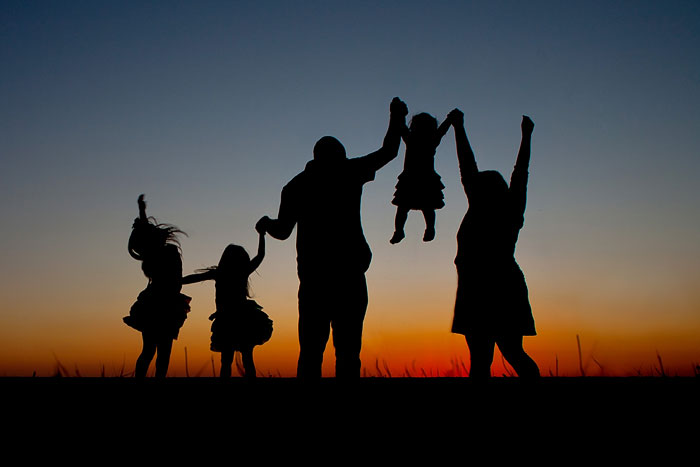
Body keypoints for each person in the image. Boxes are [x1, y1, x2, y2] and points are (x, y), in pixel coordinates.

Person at [256, 97, 408, 379]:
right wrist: (396, 117)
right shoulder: (349, 172)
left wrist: (266, 224)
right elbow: (389, 152)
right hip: (349, 276)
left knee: (312, 352)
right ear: (339, 155)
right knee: (348, 353)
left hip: (315, 281)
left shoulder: (295, 186)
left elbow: (283, 231)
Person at [450, 109, 540, 379]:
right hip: (484, 286)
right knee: (499, 356)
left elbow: (470, 165)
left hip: (490, 287)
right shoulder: (509, 209)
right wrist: (526, 136)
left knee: (495, 356)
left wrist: (459, 127)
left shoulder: (499, 208)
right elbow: (518, 173)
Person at [182, 228, 272, 379]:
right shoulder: (241, 271)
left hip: (228, 320)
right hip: (242, 319)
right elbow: (260, 256)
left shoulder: (220, 273)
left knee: (227, 360)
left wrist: (176, 280)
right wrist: (261, 235)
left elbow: (193, 278)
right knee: (247, 358)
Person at [124, 195, 191, 378]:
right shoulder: (163, 253)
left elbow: (144, 229)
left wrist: (142, 210)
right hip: (164, 303)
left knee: (150, 350)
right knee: (161, 351)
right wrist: (142, 211)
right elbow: (177, 279)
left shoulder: (153, 255)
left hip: (156, 302)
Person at [390, 111, 452, 244]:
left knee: (409, 208)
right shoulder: (427, 139)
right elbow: (441, 130)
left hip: (417, 178)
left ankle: (404, 230)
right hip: (420, 178)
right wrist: (449, 119)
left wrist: (399, 114)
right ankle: (415, 230)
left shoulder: (415, 139)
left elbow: (402, 127)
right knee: (422, 207)